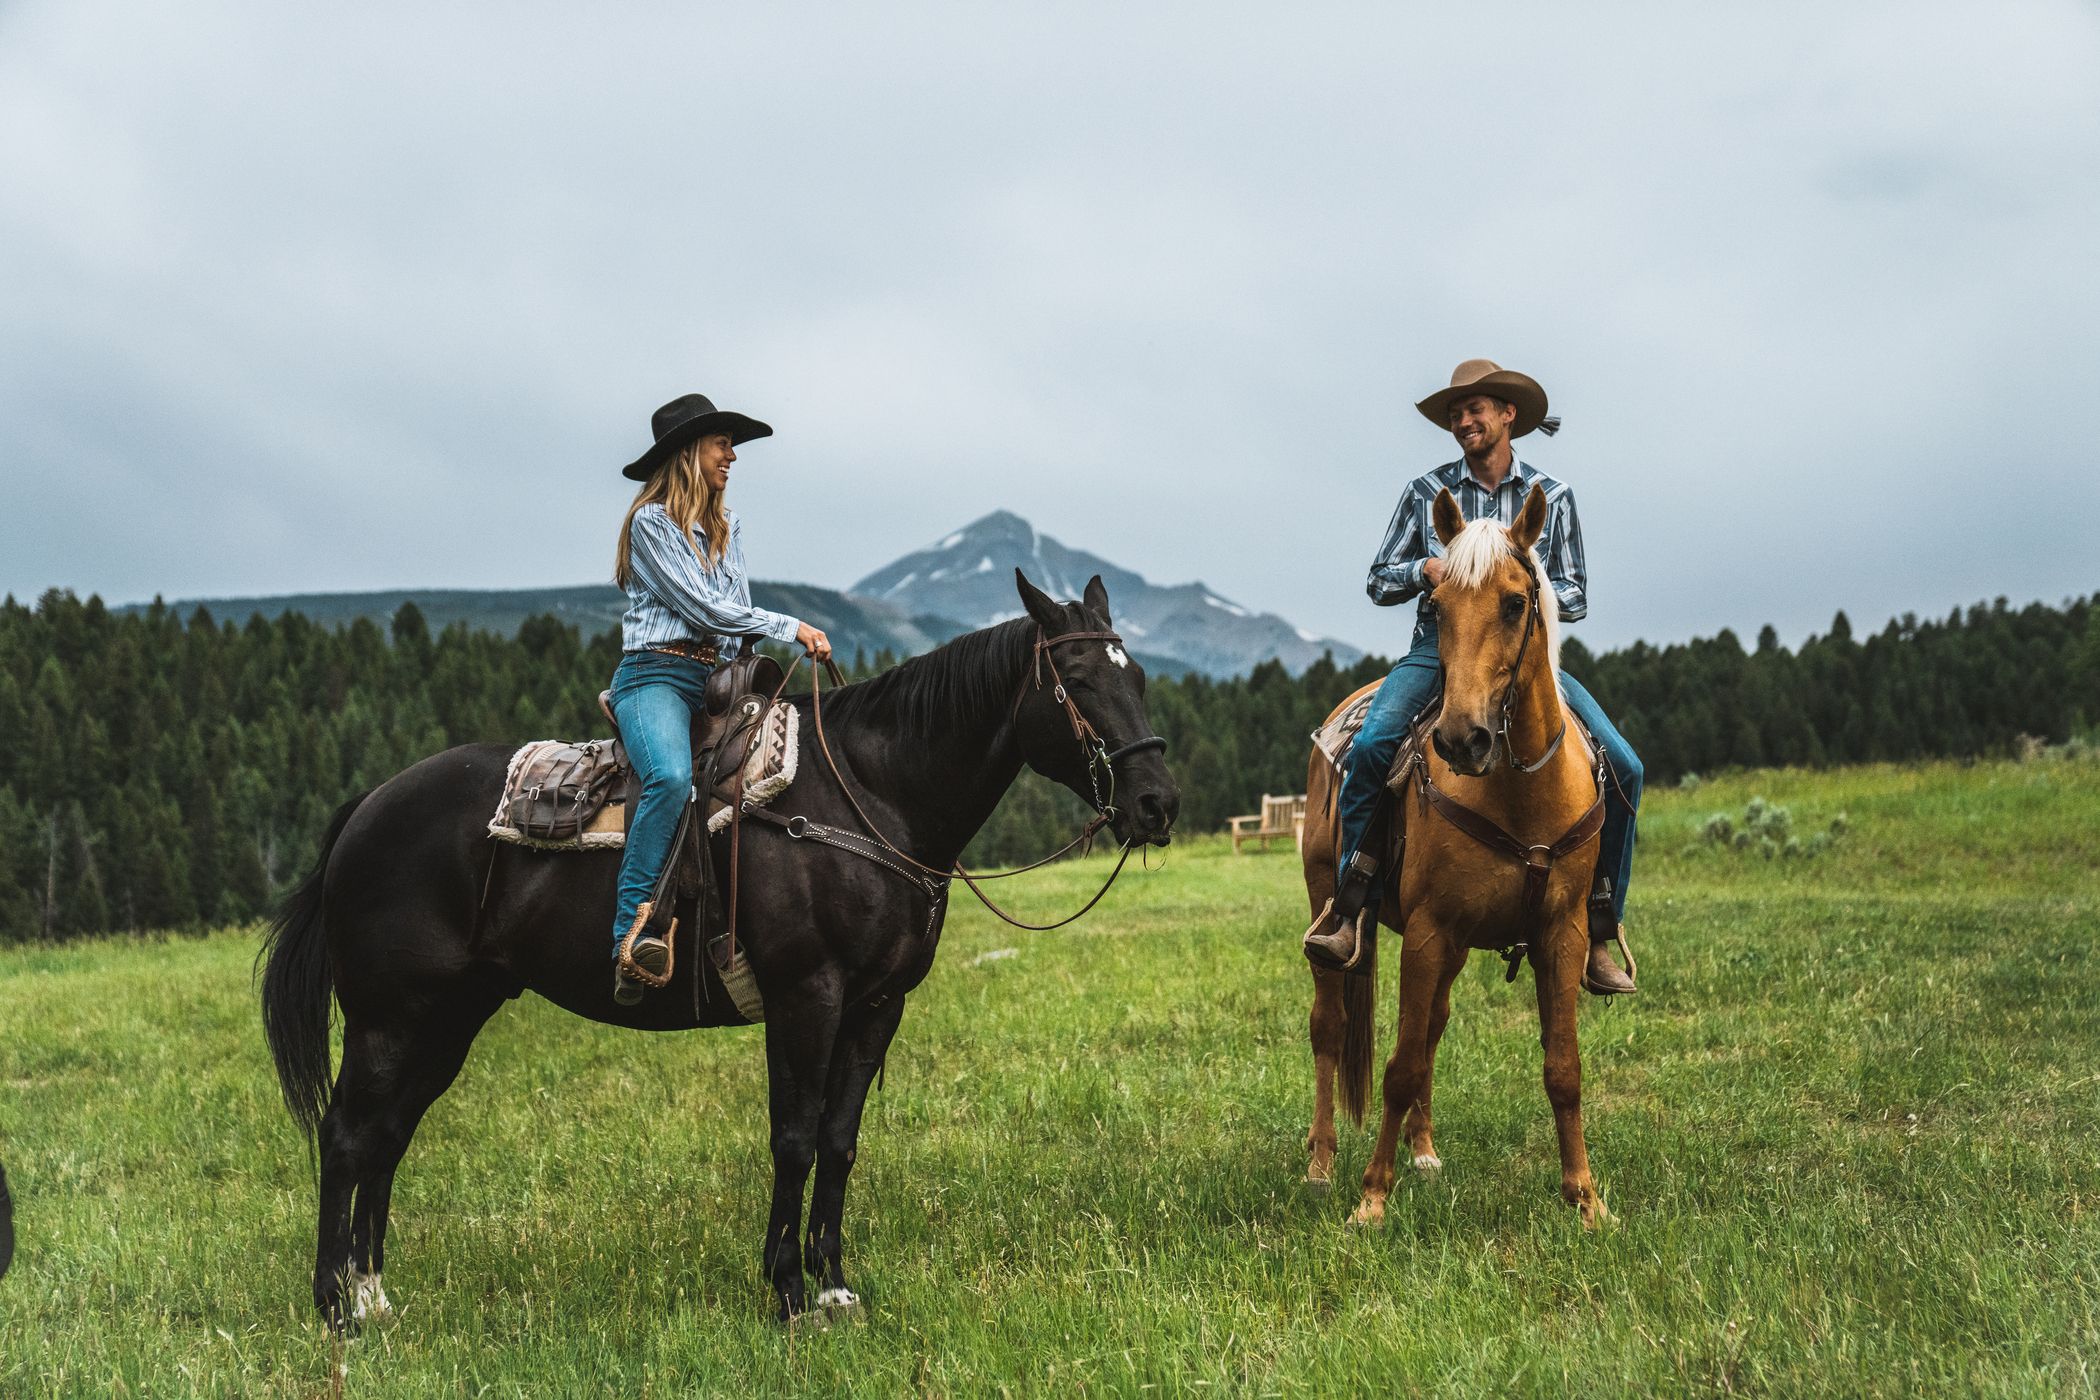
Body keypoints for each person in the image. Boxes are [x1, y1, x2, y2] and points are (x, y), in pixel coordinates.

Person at [1303, 360, 1643, 995]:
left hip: (1523, 657)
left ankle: (1600, 927)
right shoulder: (1426, 492)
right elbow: (1379, 580)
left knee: (1625, 767)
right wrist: (1427, 570)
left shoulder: (1552, 496)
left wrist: (1520, 583)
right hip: (1438, 651)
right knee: (1372, 746)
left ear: (1508, 414)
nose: (1463, 421)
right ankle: (1350, 907)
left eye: (1475, 409)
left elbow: (1574, 595)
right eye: (1454, 414)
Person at [608, 393, 831, 1004]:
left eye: (732, 446)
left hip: (716, 682)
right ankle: (631, 935)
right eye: (722, 444)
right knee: (671, 778)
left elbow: (733, 620)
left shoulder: (729, 529)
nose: (732, 456)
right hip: (654, 677)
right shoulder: (651, 523)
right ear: (689, 452)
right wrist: (790, 626)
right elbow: (706, 609)